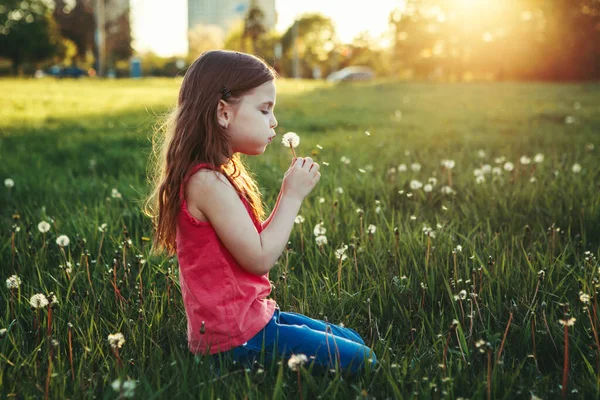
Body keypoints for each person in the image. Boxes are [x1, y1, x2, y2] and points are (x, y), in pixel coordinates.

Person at [144, 50, 376, 374]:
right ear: (223, 113)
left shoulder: (214, 174)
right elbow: (259, 257)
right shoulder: (206, 182)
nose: (274, 121)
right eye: (265, 109)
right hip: (235, 340)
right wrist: (291, 195)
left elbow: (250, 245)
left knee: (351, 339)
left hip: (256, 317)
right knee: (364, 360)